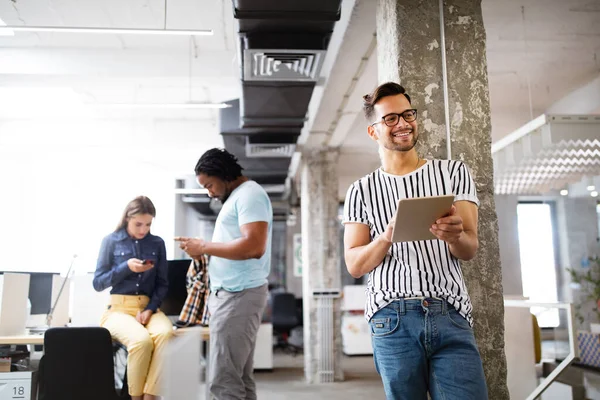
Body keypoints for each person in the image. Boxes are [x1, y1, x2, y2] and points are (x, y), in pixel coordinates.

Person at [342, 82, 488, 400]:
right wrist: (386, 237)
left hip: (449, 311)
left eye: (408, 114)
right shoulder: (361, 190)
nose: (404, 124)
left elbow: (469, 248)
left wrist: (455, 236)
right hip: (392, 318)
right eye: (391, 118)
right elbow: (354, 264)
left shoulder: (454, 173)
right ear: (373, 131)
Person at [176, 148, 272, 400]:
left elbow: (254, 246)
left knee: (223, 381)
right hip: (234, 295)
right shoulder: (239, 197)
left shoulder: (249, 195)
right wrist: (201, 249)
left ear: (223, 174)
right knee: (238, 377)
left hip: (238, 295)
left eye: (209, 185)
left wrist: (204, 247)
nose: (209, 192)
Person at [93, 196, 172, 400]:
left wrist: (150, 309)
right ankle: (135, 398)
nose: (143, 229)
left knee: (165, 334)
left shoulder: (157, 243)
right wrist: (126, 267)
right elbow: (98, 282)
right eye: (138, 224)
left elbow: (163, 283)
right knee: (141, 341)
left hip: (148, 307)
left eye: (148, 224)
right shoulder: (111, 241)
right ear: (128, 218)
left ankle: (150, 396)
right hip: (118, 309)